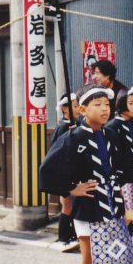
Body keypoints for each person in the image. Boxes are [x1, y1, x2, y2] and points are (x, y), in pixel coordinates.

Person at [39, 83, 133, 264]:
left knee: (110, 263)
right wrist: (72, 188)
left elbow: (129, 166)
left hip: (112, 205)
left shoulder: (112, 135)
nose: (104, 108)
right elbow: (46, 172)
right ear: (82, 110)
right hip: (88, 207)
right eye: (97, 104)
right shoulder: (72, 138)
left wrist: (127, 202)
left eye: (107, 104)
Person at [106, 87, 133, 235]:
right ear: (121, 103)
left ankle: (120, 239)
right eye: (130, 103)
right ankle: (115, 238)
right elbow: (111, 155)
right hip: (120, 177)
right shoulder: (112, 126)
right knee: (123, 212)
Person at [51, 92, 80, 252]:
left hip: (74, 172)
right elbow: (56, 149)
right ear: (65, 108)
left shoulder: (78, 124)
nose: (77, 109)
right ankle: (64, 237)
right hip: (63, 173)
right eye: (74, 106)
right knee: (67, 206)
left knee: (72, 205)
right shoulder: (62, 127)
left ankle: (72, 236)